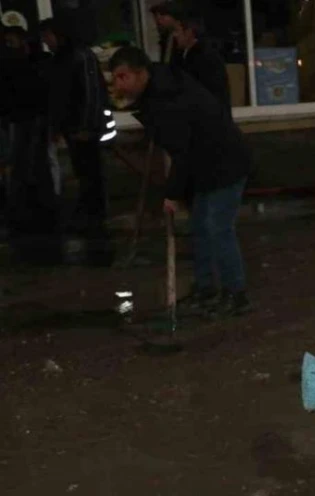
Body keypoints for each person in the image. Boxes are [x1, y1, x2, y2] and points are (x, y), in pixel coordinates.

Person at [109, 46, 253, 315]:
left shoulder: (168, 99)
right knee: (200, 227)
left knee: (217, 227)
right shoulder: (159, 89)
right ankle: (206, 287)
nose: (118, 85)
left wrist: (172, 194)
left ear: (141, 74)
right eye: (115, 78)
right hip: (204, 164)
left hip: (225, 161)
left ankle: (236, 294)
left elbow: (182, 152)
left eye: (122, 77)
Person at [41, 16, 112, 266]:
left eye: (48, 36)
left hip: (85, 128)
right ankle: (89, 217)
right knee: (84, 172)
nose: (45, 41)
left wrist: (86, 126)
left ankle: (95, 218)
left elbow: (91, 94)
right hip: (72, 127)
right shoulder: (61, 59)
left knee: (91, 172)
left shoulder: (80, 57)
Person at [2, 17, 62, 265]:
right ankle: (34, 212)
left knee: (30, 166)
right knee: (29, 166)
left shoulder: (28, 62)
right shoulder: (26, 61)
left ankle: (33, 213)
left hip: (26, 119)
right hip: (24, 118)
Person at [171, 14, 230, 111]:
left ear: (189, 33)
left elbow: (207, 92)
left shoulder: (205, 57)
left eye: (177, 31)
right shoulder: (183, 54)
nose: (174, 35)